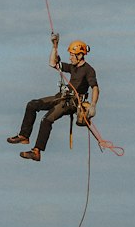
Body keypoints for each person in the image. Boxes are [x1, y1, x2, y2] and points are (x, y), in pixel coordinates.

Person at [7, 33, 98, 161]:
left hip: (71, 103)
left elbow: (95, 87)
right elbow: (52, 63)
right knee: (32, 104)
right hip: (62, 97)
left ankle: (37, 151)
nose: (70, 58)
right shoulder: (72, 67)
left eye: (72, 55)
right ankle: (24, 136)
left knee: (46, 120)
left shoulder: (89, 70)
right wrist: (55, 46)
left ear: (80, 55)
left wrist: (93, 105)